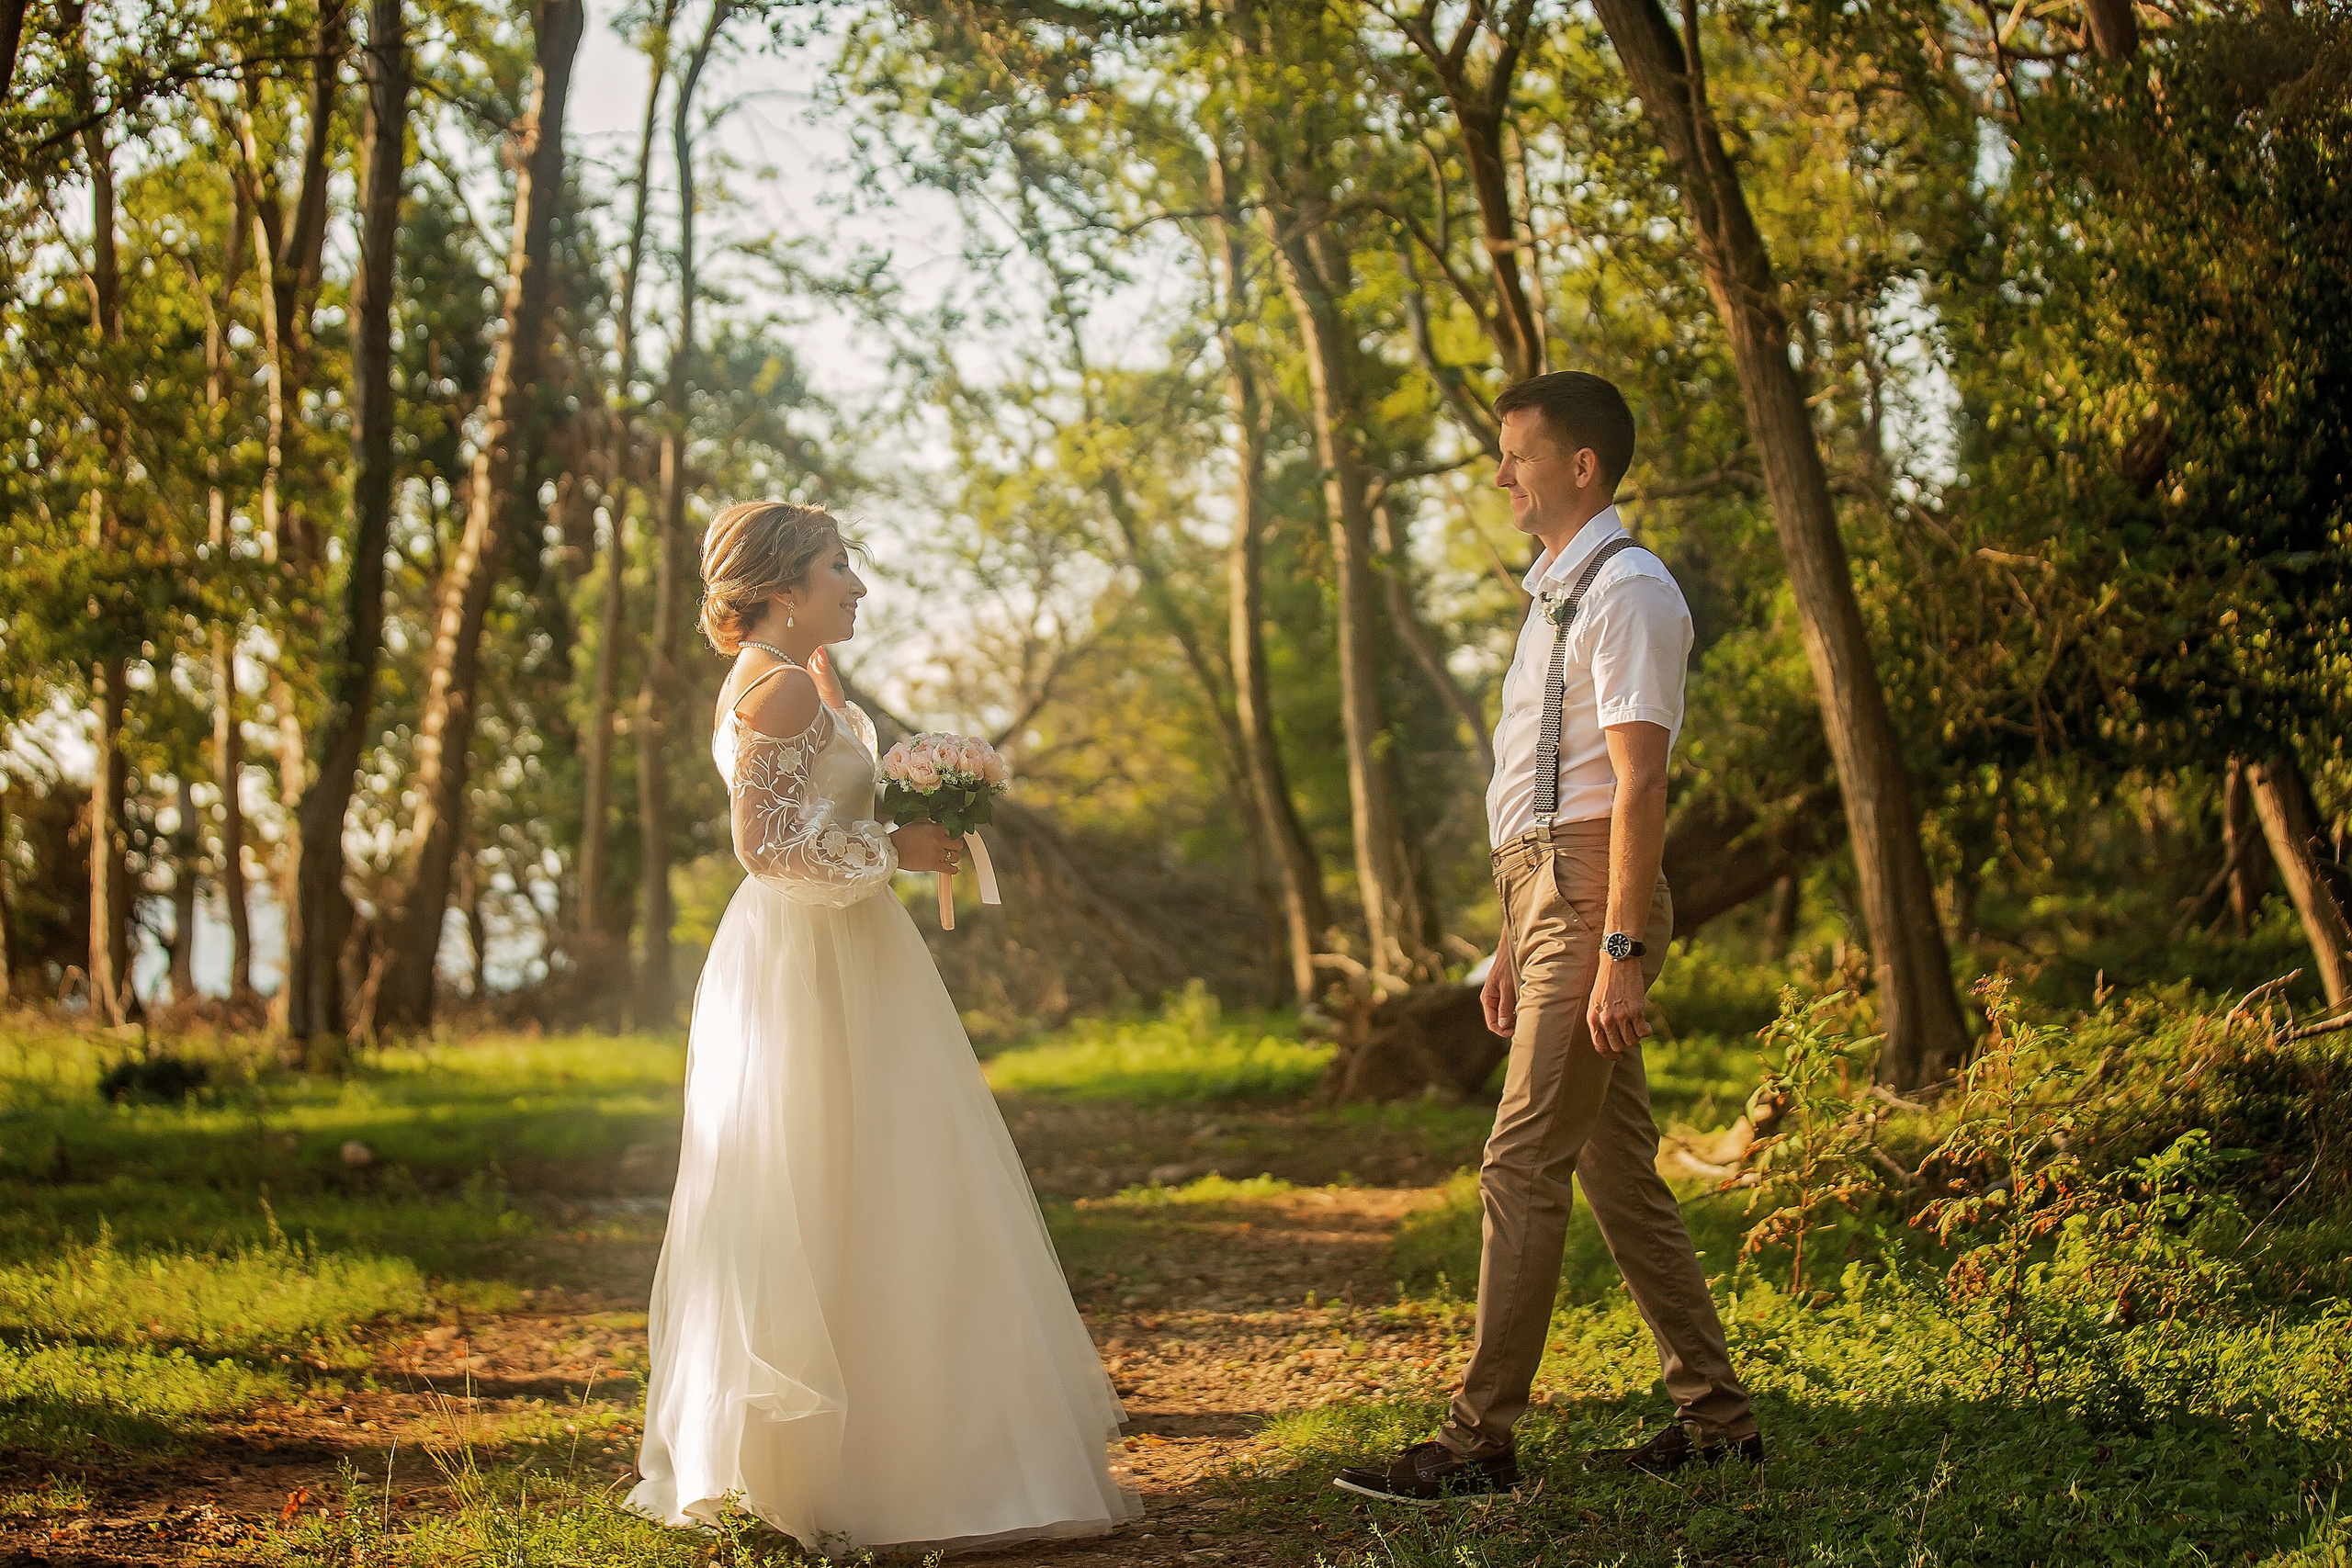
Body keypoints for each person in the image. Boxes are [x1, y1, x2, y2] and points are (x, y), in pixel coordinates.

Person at [628, 502, 1141, 1555]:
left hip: (852, 951)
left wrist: (903, 828)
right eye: (835, 566)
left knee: (892, 1179)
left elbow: (820, 820)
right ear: (779, 584)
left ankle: (931, 1451)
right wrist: (890, 853)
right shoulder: (771, 687)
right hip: (801, 963)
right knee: (821, 1179)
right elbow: (765, 850)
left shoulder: (807, 680)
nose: (855, 584)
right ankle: (839, 1474)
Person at [1333, 373, 1761, 1505]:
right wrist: (1507, 947)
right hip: (1544, 897)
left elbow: (1637, 780)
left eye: (1516, 453)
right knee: (1617, 1172)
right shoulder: (1551, 597)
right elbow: (1532, 785)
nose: (1499, 473)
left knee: (1521, 1159)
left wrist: (1616, 949)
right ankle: (1717, 1421)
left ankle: (1478, 1445)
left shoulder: (1629, 590)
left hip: (1590, 895)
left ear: (1580, 466)